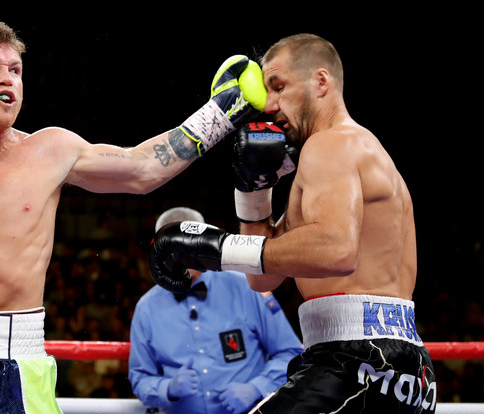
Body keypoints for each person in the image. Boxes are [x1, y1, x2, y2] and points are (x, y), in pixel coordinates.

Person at [0, 21, 267, 414]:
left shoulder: (50, 150)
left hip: (11, 366)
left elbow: (143, 169)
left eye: (15, 70)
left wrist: (220, 114)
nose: (8, 78)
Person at [148, 34, 436, 413]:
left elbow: (335, 251)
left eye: (279, 87)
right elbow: (262, 278)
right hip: (402, 371)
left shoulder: (331, 144)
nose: (268, 104)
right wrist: (253, 188)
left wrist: (212, 249)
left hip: (357, 363)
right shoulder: (353, 151)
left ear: (321, 82)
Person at [129, 207, 303, 414]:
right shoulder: (147, 308)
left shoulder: (248, 287)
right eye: (173, 247)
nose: (182, 256)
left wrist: (257, 388)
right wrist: (168, 388)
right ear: (160, 249)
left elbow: (290, 353)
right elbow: (140, 378)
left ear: (202, 243)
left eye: (187, 245)